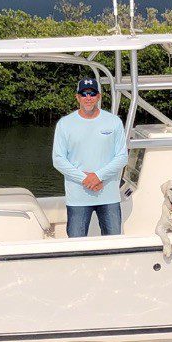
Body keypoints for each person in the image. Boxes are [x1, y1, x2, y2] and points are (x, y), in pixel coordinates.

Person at [52, 78, 128, 237]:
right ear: (77, 97)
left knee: (114, 244)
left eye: (92, 94)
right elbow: (58, 159)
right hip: (78, 198)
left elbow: (122, 157)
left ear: (99, 97)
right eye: (84, 94)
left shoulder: (114, 122)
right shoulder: (65, 124)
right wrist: (85, 179)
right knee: (76, 247)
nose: (88, 98)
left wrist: (98, 176)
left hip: (109, 196)